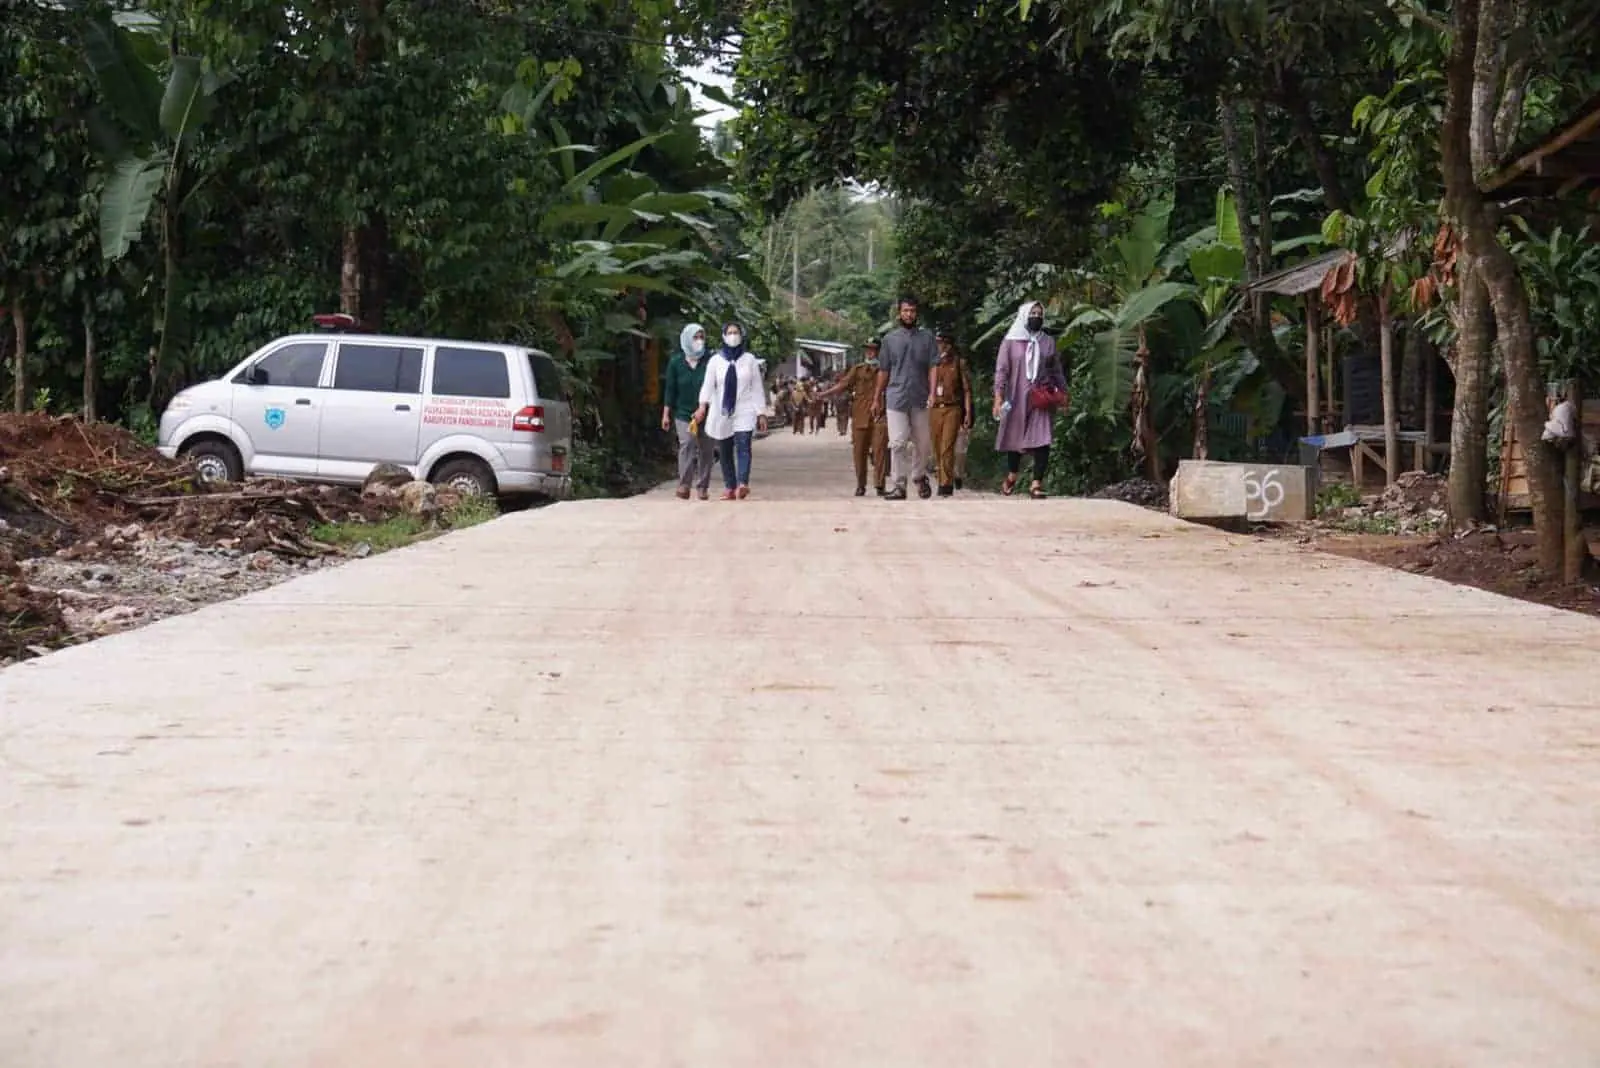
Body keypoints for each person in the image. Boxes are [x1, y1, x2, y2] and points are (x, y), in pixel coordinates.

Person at [993, 299, 1068, 499]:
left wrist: (1063, 393)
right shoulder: (1010, 342)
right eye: (1033, 314)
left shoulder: (1048, 342)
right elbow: (1001, 370)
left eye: (1040, 314)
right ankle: (1012, 475)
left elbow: (1056, 370)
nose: (1037, 317)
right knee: (1014, 436)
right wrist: (998, 397)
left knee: (1043, 439)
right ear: (1024, 316)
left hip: (1041, 396)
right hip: (1015, 397)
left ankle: (1036, 484)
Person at [872, 295, 938, 500]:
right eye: (905, 311)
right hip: (896, 397)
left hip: (920, 397)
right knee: (897, 442)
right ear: (899, 313)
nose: (909, 315)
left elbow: (933, 366)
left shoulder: (927, 338)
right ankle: (899, 485)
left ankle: (918, 476)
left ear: (916, 313)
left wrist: (933, 392)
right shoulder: (889, 340)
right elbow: (883, 370)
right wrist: (877, 397)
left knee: (923, 443)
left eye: (912, 311)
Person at [694, 321, 769, 500]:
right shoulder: (715, 361)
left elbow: (757, 387)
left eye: (736, 332)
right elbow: (708, 385)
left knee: (744, 446)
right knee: (725, 450)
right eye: (730, 332)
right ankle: (730, 486)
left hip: (744, 408)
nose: (733, 336)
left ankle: (743, 483)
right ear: (724, 336)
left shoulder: (749, 360)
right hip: (722, 410)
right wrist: (702, 405)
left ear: (741, 335)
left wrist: (761, 412)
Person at [814, 338, 888, 496]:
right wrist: (824, 394)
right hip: (860, 414)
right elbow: (843, 384)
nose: (870, 352)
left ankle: (880, 484)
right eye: (867, 349)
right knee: (859, 452)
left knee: (880, 450)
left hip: (880, 413)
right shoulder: (858, 369)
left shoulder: (886, 369)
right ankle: (861, 484)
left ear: (879, 351)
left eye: (873, 349)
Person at [661, 322, 715, 500]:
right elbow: (670, 389)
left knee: (706, 449)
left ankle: (702, 486)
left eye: (702, 337)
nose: (699, 341)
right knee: (687, 444)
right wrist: (666, 413)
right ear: (686, 339)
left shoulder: (710, 361)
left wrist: (705, 408)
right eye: (695, 337)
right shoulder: (676, 362)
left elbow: (715, 387)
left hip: (707, 413)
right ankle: (684, 484)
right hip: (683, 413)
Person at [926, 328, 974, 497]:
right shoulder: (931, 363)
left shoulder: (958, 363)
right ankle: (942, 476)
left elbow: (967, 390)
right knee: (937, 446)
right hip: (934, 408)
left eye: (945, 343)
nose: (942, 346)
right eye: (939, 343)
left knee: (947, 445)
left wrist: (967, 412)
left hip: (952, 408)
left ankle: (945, 484)